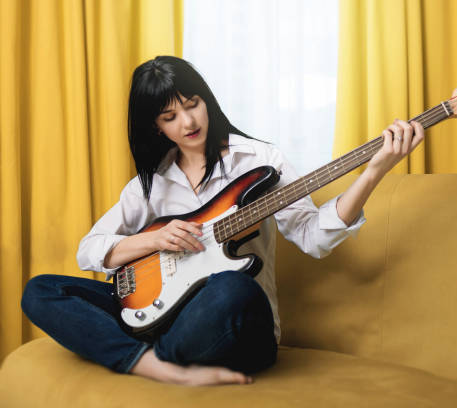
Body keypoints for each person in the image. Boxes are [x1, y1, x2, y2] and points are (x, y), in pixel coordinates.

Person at [20, 56, 424, 387]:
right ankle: (156, 365)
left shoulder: (260, 161)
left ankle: (140, 353)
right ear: (156, 127)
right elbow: (88, 250)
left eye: (192, 104)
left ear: (206, 99)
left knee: (234, 286)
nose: (188, 122)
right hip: (155, 318)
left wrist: (373, 173)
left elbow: (313, 237)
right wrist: (155, 239)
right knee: (42, 290)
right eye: (170, 116)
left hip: (232, 324)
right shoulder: (150, 184)